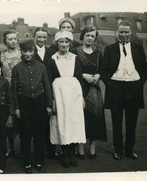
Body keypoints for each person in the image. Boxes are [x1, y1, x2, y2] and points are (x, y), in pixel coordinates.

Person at [100, 20, 147, 161]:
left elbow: (145, 70)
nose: (124, 34)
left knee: (131, 122)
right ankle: (118, 151)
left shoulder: (138, 48)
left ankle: (129, 150)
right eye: (121, 32)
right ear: (117, 33)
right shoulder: (110, 49)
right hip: (115, 88)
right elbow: (103, 70)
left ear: (131, 32)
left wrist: (139, 83)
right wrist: (110, 85)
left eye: (126, 32)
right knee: (116, 122)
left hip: (134, 89)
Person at [11, 39, 53, 173]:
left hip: (39, 101)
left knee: (39, 133)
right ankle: (27, 162)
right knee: (25, 134)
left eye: (30, 51)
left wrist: (48, 104)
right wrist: (16, 108)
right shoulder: (17, 68)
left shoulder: (41, 67)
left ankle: (39, 161)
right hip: (24, 102)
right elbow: (13, 90)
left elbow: (47, 86)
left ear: (34, 52)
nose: (28, 54)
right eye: (25, 51)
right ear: (21, 52)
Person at [47, 31, 86, 168]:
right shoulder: (52, 59)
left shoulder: (76, 58)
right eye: (61, 42)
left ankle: (72, 153)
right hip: (59, 93)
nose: (64, 44)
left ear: (70, 43)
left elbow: (80, 78)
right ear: (57, 43)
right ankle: (65, 153)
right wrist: (52, 100)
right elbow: (49, 80)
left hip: (74, 93)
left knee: (74, 122)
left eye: (66, 42)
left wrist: (81, 98)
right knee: (62, 122)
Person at [71, 25, 107, 160]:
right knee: (80, 118)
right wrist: (83, 75)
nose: (90, 38)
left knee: (95, 119)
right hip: (79, 88)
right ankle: (79, 148)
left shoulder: (98, 54)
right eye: (88, 35)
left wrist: (98, 76)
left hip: (94, 89)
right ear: (83, 36)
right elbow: (71, 71)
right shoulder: (75, 52)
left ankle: (92, 148)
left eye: (93, 36)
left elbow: (103, 69)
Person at [33, 27, 57, 158]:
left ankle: (51, 150)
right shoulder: (29, 51)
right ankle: (39, 151)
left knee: (50, 120)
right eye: (39, 37)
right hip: (35, 91)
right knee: (37, 123)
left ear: (47, 38)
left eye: (44, 37)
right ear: (34, 37)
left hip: (49, 90)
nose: (41, 39)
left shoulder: (52, 52)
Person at [0, 29, 21, 158]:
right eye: (10, 39)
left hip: (20, 90)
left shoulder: (21, 54)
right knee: (9, 120)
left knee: (21, 120)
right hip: (6, 90)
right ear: (5, 41)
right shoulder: (1, 56)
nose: (13, 41)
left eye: (14, 39)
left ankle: (23, 148)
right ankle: (11, 148)